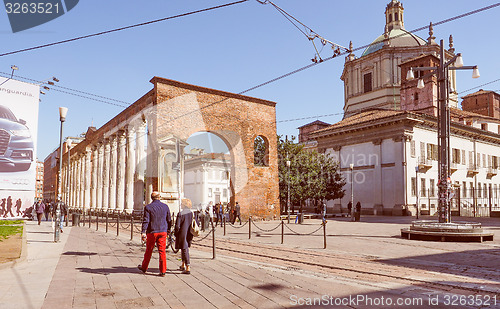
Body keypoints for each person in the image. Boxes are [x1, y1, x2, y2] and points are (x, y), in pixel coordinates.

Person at [138, 192, 172, 277]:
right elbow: (169, 219)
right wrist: (168, 229)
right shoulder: (165, 206)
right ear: (159, 197)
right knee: (162, 251)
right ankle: (163, 271)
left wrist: (143, 232)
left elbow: (146, 220)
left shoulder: (148, 207)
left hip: (152, 231)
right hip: (163, 231)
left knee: (149, 250)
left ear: (151, 198)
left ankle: (144, 267)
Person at [174, 198, 197, 275]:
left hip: (182, 233)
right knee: (184, 248)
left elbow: (177, 226)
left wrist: (175, 233)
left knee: (184, 249)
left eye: (181, 204)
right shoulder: (192, 213)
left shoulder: (180, 214)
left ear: (184, 205)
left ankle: (188, 267)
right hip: (189, 233)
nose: (181, 205)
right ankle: (183, 265)